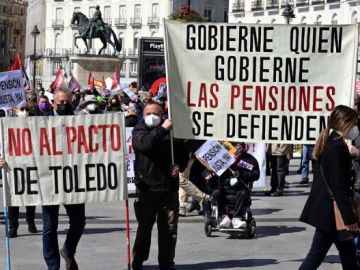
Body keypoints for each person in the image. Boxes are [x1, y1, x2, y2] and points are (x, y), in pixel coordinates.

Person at [299, 105, 360, 270]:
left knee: (348, 255)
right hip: (331, 214)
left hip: (327, 211)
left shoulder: (330, 142)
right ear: (345, 123)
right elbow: (338, 186)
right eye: (354, 123)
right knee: (315, 256)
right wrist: (350, 218)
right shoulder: (337, 147)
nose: (355, 128)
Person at [132, 101, 186, 270]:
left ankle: (166, 262)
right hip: (147, 188)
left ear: (163, 115)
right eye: (148, 113)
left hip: (168, 188)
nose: (152, 117)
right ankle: (138, 260)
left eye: (156, 113)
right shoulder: (139, 129)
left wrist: (179, 165)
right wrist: (162, 129)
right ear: (143, 115)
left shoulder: (173, 132)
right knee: (144, 228)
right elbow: (144, 145)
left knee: (169, 229)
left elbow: (184, 152)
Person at [42, 87, 86, 270]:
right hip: (49, 181)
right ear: (53, 103)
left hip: (72, 180)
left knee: (79, 221)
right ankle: (53, 266)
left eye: (67, 102)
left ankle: (68, 250)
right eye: (60, 102)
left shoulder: (80, 121)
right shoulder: (40, 120)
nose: (63, 105)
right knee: (50, 227)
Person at [5, 106, 38, 237]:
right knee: (13, 198)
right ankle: (13, 226)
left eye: (24, 109)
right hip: (14, 166)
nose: (23, 112)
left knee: (31, 197)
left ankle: (31, 221)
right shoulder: (7, 124)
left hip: (30, 165)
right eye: (20, 109)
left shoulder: (33, 122)